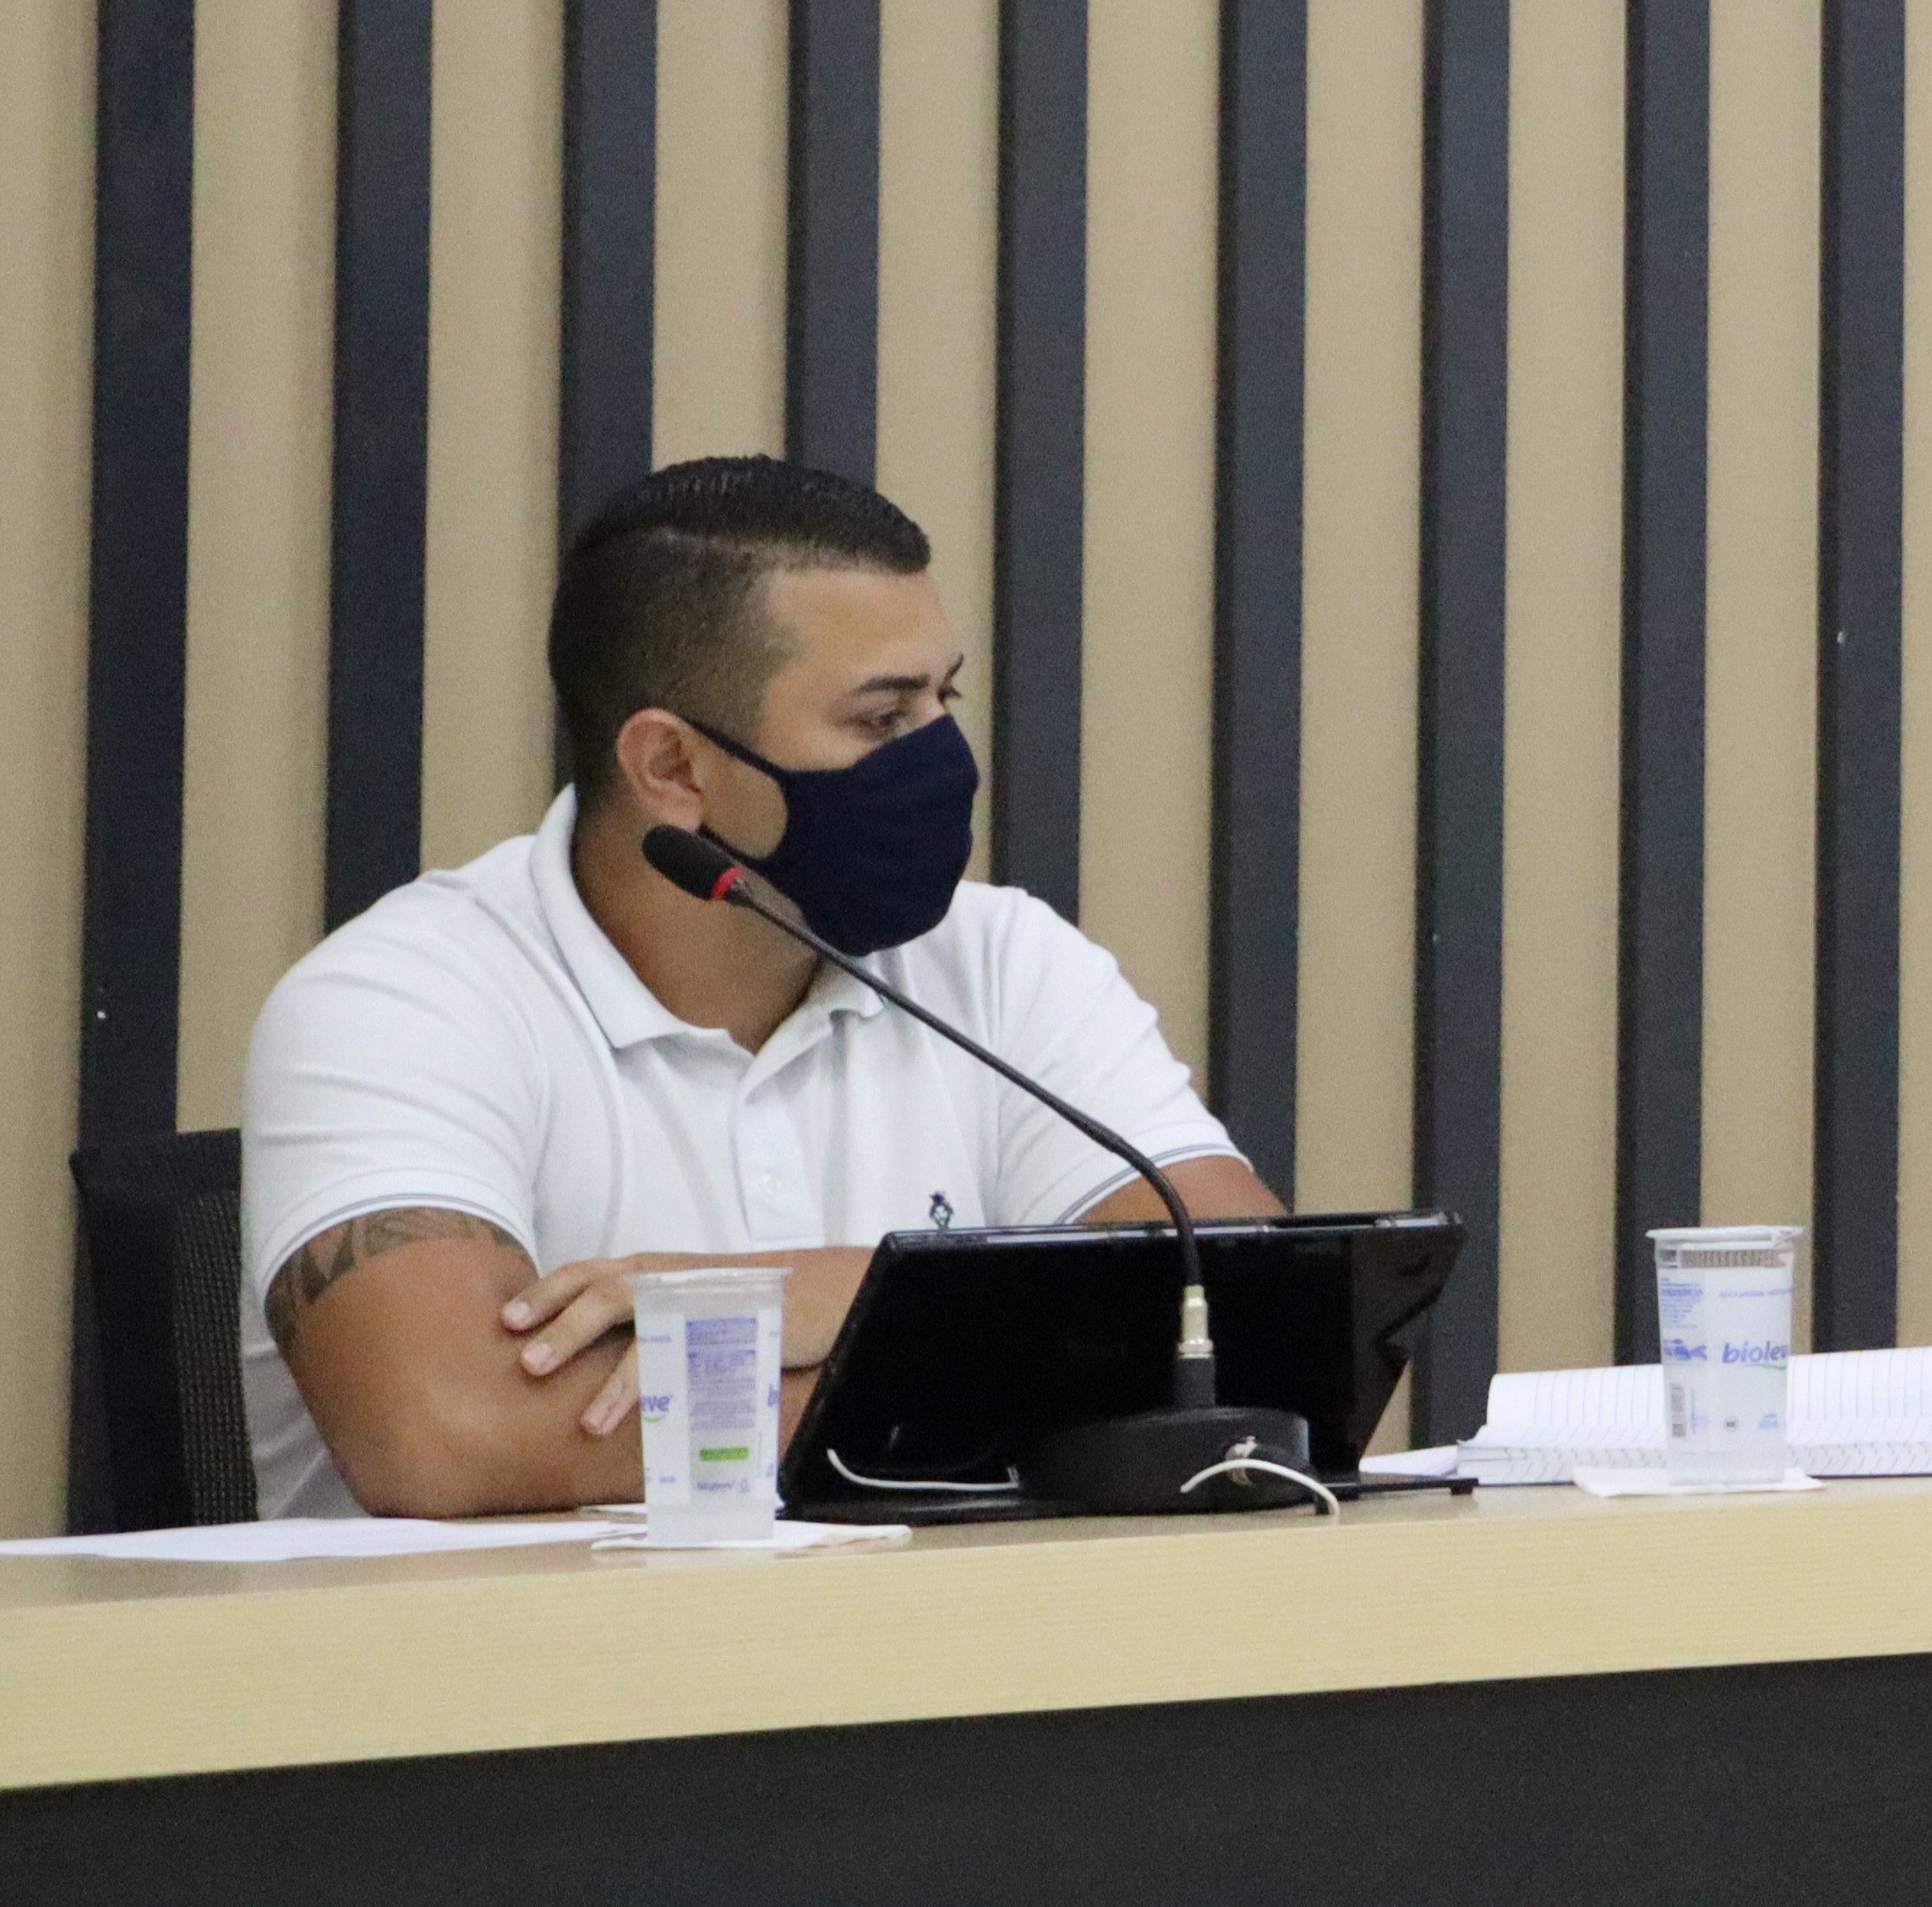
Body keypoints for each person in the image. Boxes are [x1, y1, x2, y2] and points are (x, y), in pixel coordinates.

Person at [236, 458, 1280, 1517]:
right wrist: (1047, 1365)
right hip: (526, 1630)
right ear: (672, 766)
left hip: (951, 1623)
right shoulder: (399, 1002)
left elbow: (1264, 1325)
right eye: (881, 719)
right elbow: (449, 1433)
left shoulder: (1001, 959)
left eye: (944, 697)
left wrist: (858, 1292)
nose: (942, 757)